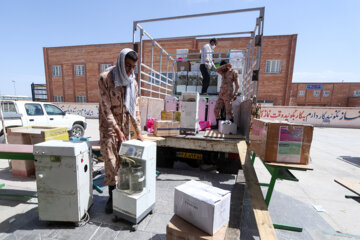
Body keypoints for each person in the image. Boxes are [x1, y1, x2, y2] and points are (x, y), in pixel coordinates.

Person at [98, 48, 144, 214]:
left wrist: (138, 131)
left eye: (133, 67)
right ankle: (111, 197)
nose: (130, 70)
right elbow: (105, 108)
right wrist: (116, 129)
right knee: (111, 162)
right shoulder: (106, 78)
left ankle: (123, 195)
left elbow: (135, 108)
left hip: (125, 128)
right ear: (120, 62)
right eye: (127, 66)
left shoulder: (133, 82)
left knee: (124, 162)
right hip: (109, 129)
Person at [213, 60, 239, 129]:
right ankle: (218, 125)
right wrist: (225, 66)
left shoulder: (233, 72)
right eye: (222, 67)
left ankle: (233, 126)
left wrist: (235, 93)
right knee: (216, 110)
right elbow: (216, 70)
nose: (223, 69)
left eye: (224, 67)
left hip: (228, 94)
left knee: (228, 112)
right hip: (221, 94)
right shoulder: (222, 72)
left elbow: (237, 85)